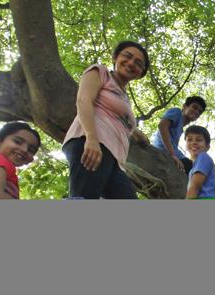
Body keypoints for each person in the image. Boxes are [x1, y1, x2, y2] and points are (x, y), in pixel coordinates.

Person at [62, 40, 151, 199]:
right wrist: (91, 138)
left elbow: (118, 121)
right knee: (84, 199)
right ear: (115, 58)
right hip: (92, 143)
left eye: (138, 63)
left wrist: (137, 133)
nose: (131, 63)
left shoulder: (125, 98)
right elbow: (83, 100)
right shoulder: (100, 72)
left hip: (115, 160)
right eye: (127, 56)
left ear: (140, 73)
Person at [150, 96, 206, 174]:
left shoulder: (180, 128)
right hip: (163, 151)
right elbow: (162, 126)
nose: (196, 112)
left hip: (171, 153)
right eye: (194, 107)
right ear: (185, 106)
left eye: (199, 112)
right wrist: (172, 155)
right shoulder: (177, 112)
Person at [184, 125, 215, 199]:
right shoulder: (195, 165)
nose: (194, 142)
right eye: (189, 140)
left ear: (207, 146)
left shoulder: (203, 157)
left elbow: (194, 188)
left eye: (199, 140)